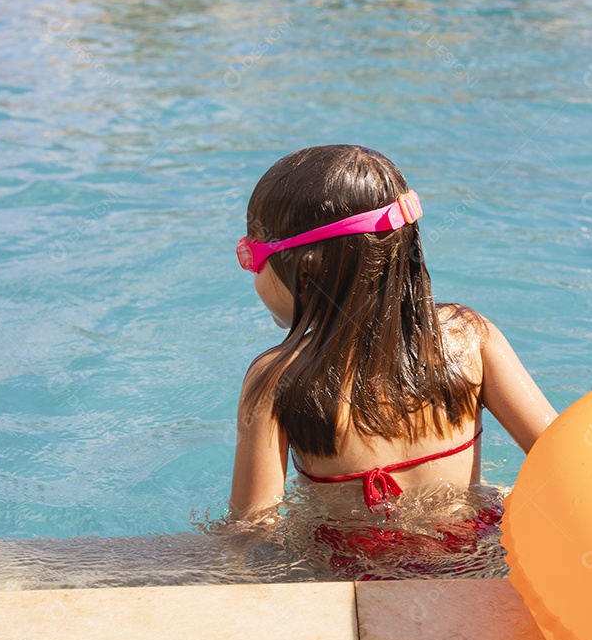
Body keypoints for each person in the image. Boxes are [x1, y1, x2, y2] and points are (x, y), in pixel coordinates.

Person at [229, 145, 557, 576]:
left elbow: (251, 528)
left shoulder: (276, 379)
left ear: (304, 270)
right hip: (475, 553)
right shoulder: (470, 337)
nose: (252, 272)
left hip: (353, 571)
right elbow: (560, 452)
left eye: (251, 257)